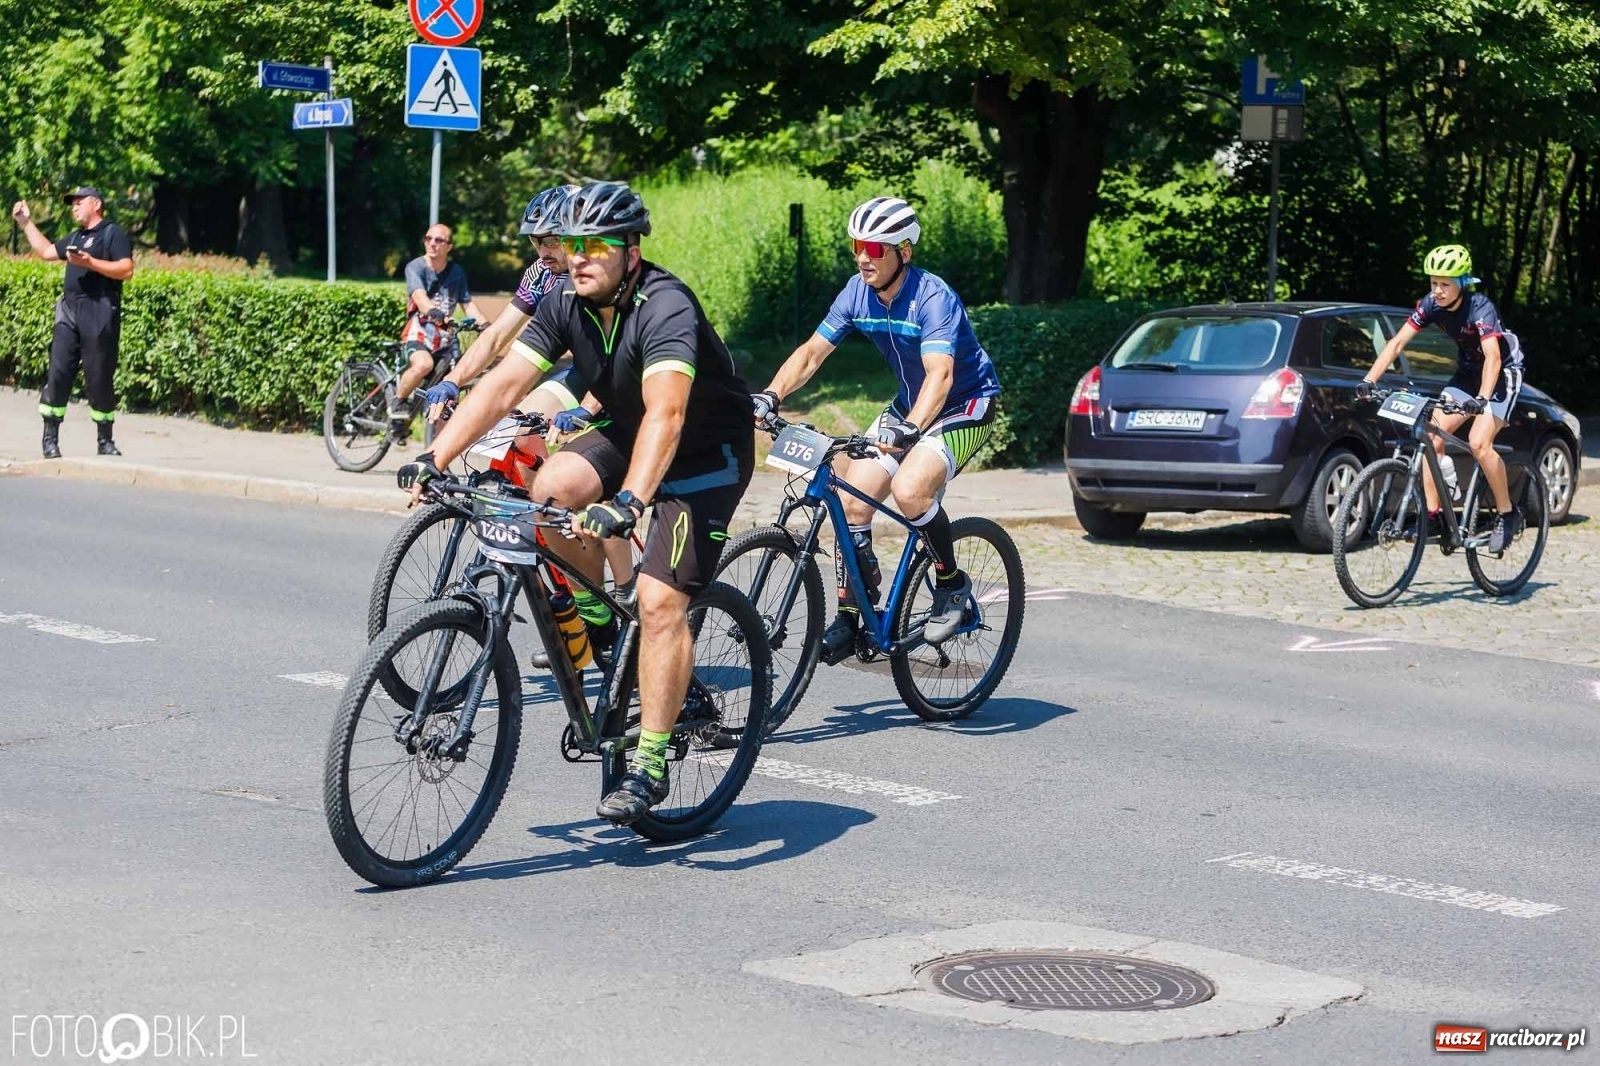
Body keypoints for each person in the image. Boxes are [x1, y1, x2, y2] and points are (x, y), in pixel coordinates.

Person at [398, 181, 755, 825]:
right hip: (626, 426)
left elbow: (669, 415)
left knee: (659, 598)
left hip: (706, 455)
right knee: (551, 491)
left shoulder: (665, 306)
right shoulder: (565, 298)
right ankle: (604, 624)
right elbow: (505, 383)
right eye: (574, 244)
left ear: (631, 250)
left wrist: (630, 500)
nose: (581, 256)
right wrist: (438, 456)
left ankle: (649, 757)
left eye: (598, 245)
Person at [753, 196, 1001, 657]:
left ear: (903, 252)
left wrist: (909, 431)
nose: (863, 256)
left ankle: (951, 583)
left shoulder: (932, 296)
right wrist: (771, 395)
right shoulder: (857, 292)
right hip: (908, 405)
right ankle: (854, 614)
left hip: (964, 405)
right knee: (851, 503)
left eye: (874, 246)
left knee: (910, 491)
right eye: (856, 245)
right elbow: (811, 353)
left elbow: (940, 376)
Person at [423, 184, 633, 659]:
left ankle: (624, 593)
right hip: (556, 361)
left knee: (537, 430)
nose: (543, 251)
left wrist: (591, 407)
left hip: (590, 370)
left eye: (552, 240)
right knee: (517, 441)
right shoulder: (541, 274)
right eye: (535, 242)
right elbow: (498, 334)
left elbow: (619, 358)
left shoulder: (591, 276)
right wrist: (454, 381)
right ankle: (565, 564)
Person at [1359, 243, 1526, 552]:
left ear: (1462, 282)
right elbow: (1397, 343)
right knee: (1431, 436)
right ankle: (1436, 516)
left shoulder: (1480, 307)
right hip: (1466, 374)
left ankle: (1507, 513)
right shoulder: (1431, 305)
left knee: (1478, 443)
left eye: (1445, 284)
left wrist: (1481, 399)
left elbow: (1493, 358)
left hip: (1502, 373)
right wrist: (1370, 379)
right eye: (1433, 283)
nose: (1437, 290)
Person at [11, 187, 135, 458]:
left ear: (97, 204)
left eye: (80, 202)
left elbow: (126, 270)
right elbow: (45, 252)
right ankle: (50, 439)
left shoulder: (112, 234)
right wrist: (26, 223)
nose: (74, 207)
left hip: (99, 310)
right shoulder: (75, 237)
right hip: (69, 311)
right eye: (72, 204)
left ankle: (105, 440)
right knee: (58, 372)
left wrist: (92, 263)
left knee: (99, 376)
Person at [393, 223, 487, 431]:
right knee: (424, 365)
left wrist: (485, 325)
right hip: (419, 332)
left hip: (444, 336)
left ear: (449, 247)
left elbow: (467, 303)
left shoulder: (456, 272)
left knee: (458, 370)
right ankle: (398, 401)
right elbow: (419, 296)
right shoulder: (415, 267)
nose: (432, 243)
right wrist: (432, 311)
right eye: (429, 238)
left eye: (438, 240)